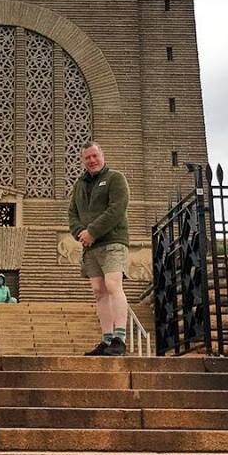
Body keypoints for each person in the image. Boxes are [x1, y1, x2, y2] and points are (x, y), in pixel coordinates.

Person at [68, 141, 130, 356]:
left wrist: (92, 231)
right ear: (83, 160)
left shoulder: (115, 178)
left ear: (102, 155)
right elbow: (72, 214)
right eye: (87, 157)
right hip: (90, 246)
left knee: (113, 284)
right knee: (98, 291)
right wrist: (80, 233)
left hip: (112, 241)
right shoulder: (79, 185)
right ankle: (106, 339)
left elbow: (117, 208)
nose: (92, 160)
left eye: (95, 156)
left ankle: (119, 338)